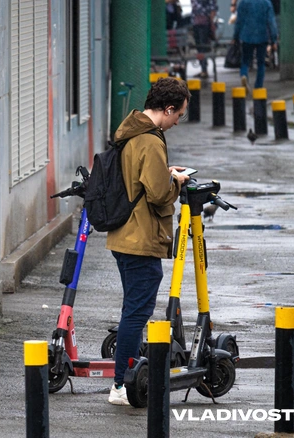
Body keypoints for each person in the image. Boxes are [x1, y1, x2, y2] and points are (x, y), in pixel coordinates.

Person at [107, 77, 191, 405]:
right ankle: (120, 386)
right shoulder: (151, 141)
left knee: (133, 308)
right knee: (136, 313)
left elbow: (139, 176)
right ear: (168, 109)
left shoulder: (132, 131)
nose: (177, 122)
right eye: (178, 115)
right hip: (139, 236)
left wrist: (165, 171)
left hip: (123, 234)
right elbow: (158, 195)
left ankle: (122, 378)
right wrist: (178, 183)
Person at [232, 0, 278, 92]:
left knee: (245, 61)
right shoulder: (266, 2)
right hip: (262, 36)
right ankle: (258, 87)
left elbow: (239, 21)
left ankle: (244, 75)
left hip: (246, 36)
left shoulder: (244, 2)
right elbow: (271, 22)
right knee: (261, 63)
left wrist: (235, 37)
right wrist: (274, 40)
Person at [191, 0, 218, 79]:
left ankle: (204, 69)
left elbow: (213, 7)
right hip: (195, 22)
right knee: (199, 46)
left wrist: (212, 22)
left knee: (203, 46)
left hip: (204, 23)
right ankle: (203, 68)